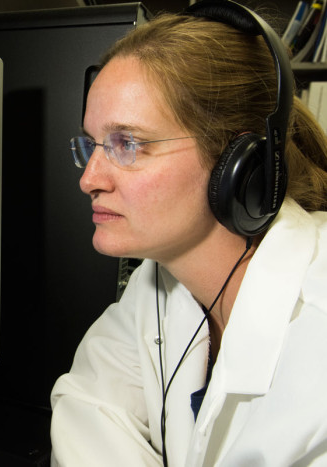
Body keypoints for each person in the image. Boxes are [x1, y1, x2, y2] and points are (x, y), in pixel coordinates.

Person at [50, 1, 327, 466]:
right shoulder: (160, 280)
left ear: (240, 165)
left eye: (127, 143)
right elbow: (88, 402)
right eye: (93, 144)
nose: (89, 178)